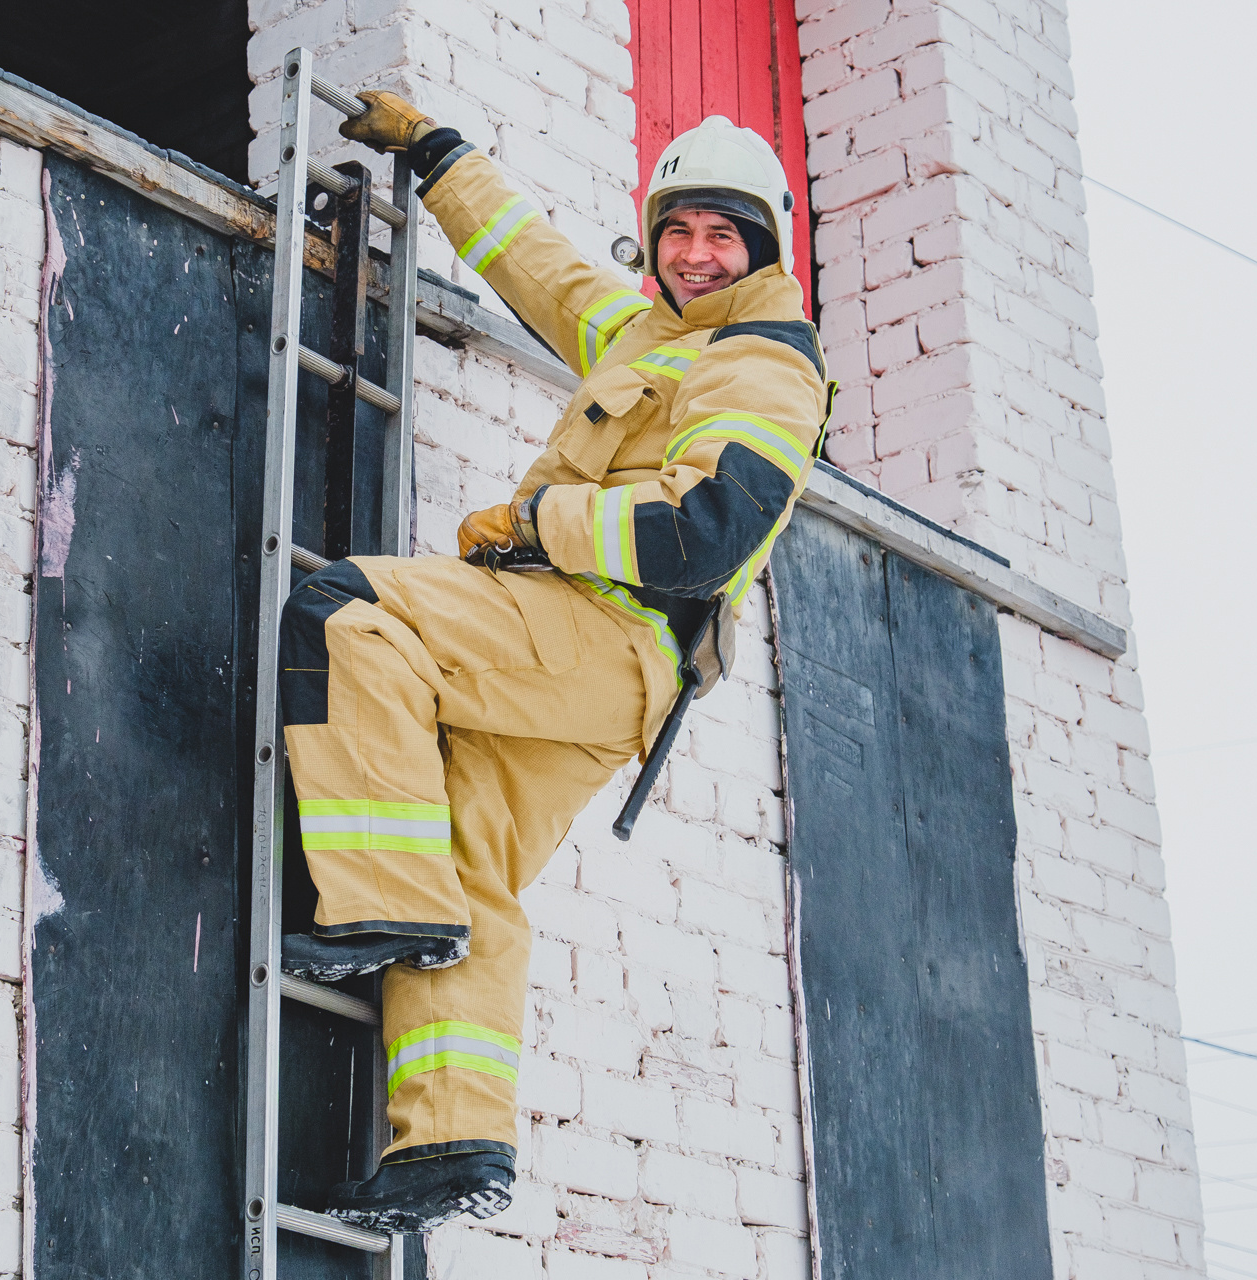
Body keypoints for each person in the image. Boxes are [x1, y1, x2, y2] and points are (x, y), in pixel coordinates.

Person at [275, 93, 832, 1231]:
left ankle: (378, 905)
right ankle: (453, 1141)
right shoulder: (649, 336)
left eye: (722, 234)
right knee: (468, 854)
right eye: (678, 228)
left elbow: (704, 532)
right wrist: (436, 154)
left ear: (763, 246)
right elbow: (536, 267)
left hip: (605, 629)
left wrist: (545, 525)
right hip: (585, 661)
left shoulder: (766, 367)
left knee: (345, 610)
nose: (695, 252)